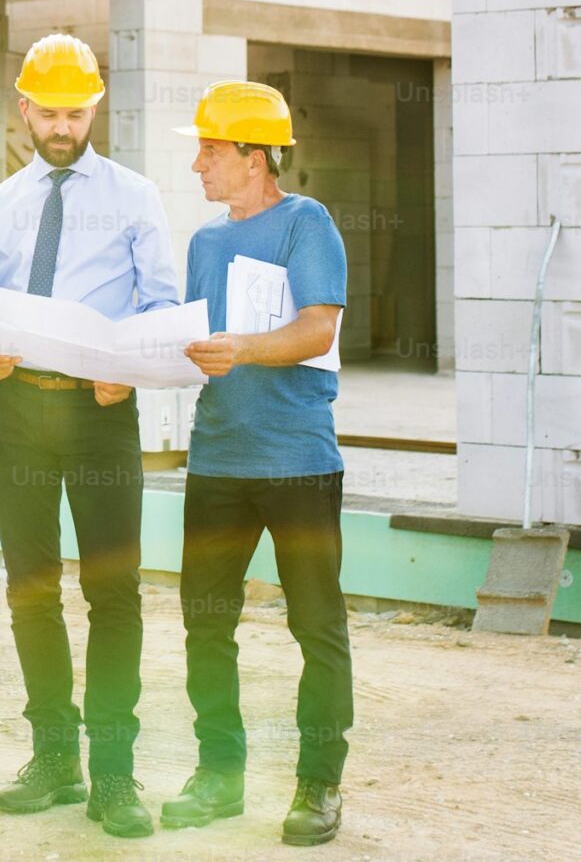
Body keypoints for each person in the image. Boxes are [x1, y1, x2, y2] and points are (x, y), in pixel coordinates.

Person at [0, 33, 181, 839]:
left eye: (76, 113)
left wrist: (130, 363)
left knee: (113, 591)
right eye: (50, 112)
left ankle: (113, 773)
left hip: (98, 412)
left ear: (96, 109)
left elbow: (163, 304)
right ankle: (55, 757)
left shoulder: (135, 197)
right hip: (14, 410)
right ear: (24, 108)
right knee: (31, 585)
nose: (62, 127)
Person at [161, 80, 353, 848]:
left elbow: (316, 328)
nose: (198, 165)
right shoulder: (204, 243)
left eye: (209, 150)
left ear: (255, 155)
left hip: (298, 461)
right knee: (205, 623)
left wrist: (240, 346)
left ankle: (319, 782)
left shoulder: (307, 223)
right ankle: (219, 774)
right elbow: (200, 342)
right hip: (218, 462)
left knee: (316, 624)